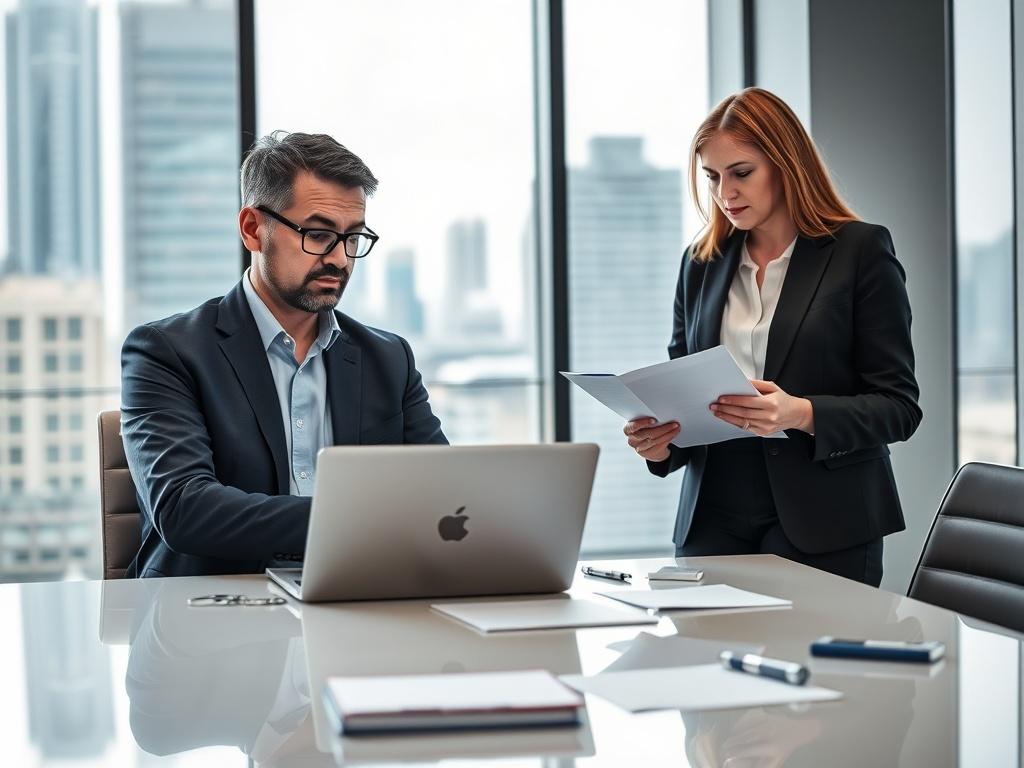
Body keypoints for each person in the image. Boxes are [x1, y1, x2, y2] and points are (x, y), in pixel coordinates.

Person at [623, 88, 921, 586]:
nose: (725, 193)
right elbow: (682, 390)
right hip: (713, 516)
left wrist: (799, 413)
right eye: (713, 177)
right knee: (706, 660)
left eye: (741, 173)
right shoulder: (701, 264)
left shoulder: (859, 251)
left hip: (826, 516)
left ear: (787, 165)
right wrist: (661, 444)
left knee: (812, 660)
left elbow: (899, 406)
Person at [121, 131, 447, 578]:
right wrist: (358, 523)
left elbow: (443, 495)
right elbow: (185, 508)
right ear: (253, 229)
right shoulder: (167, 352)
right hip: (210, 614)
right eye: (318, 234)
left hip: (358, 601)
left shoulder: (388, 358)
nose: (340, 259)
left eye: (353, 238)